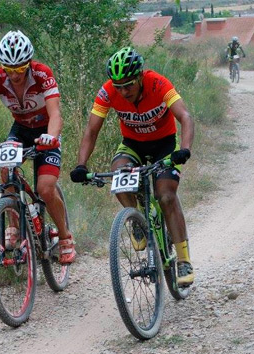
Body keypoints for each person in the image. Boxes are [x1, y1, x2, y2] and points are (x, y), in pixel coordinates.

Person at [69, 47, 195, 286]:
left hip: (165, 144)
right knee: (119, 177)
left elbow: (186, 117)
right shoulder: (108, 92)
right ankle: (139, 222)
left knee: (166, 196)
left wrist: (185, 149)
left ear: (139, 77)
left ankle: (183, 259)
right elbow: (92, 130)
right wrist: (81, 165)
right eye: (119, 87)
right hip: (133, 144)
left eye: (128, 85)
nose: (123, 91)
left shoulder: (158, 83)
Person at [0, 30, 76, 264]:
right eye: (9, 70)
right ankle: (14, 225)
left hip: (44, 132)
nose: (15, 75)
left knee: (46, 189)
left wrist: (51, 137)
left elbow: (56, 114)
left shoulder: (42, 74)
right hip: (20, 130)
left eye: (20, 69)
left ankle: (64, 237)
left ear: (29, 64)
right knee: (5, 169)